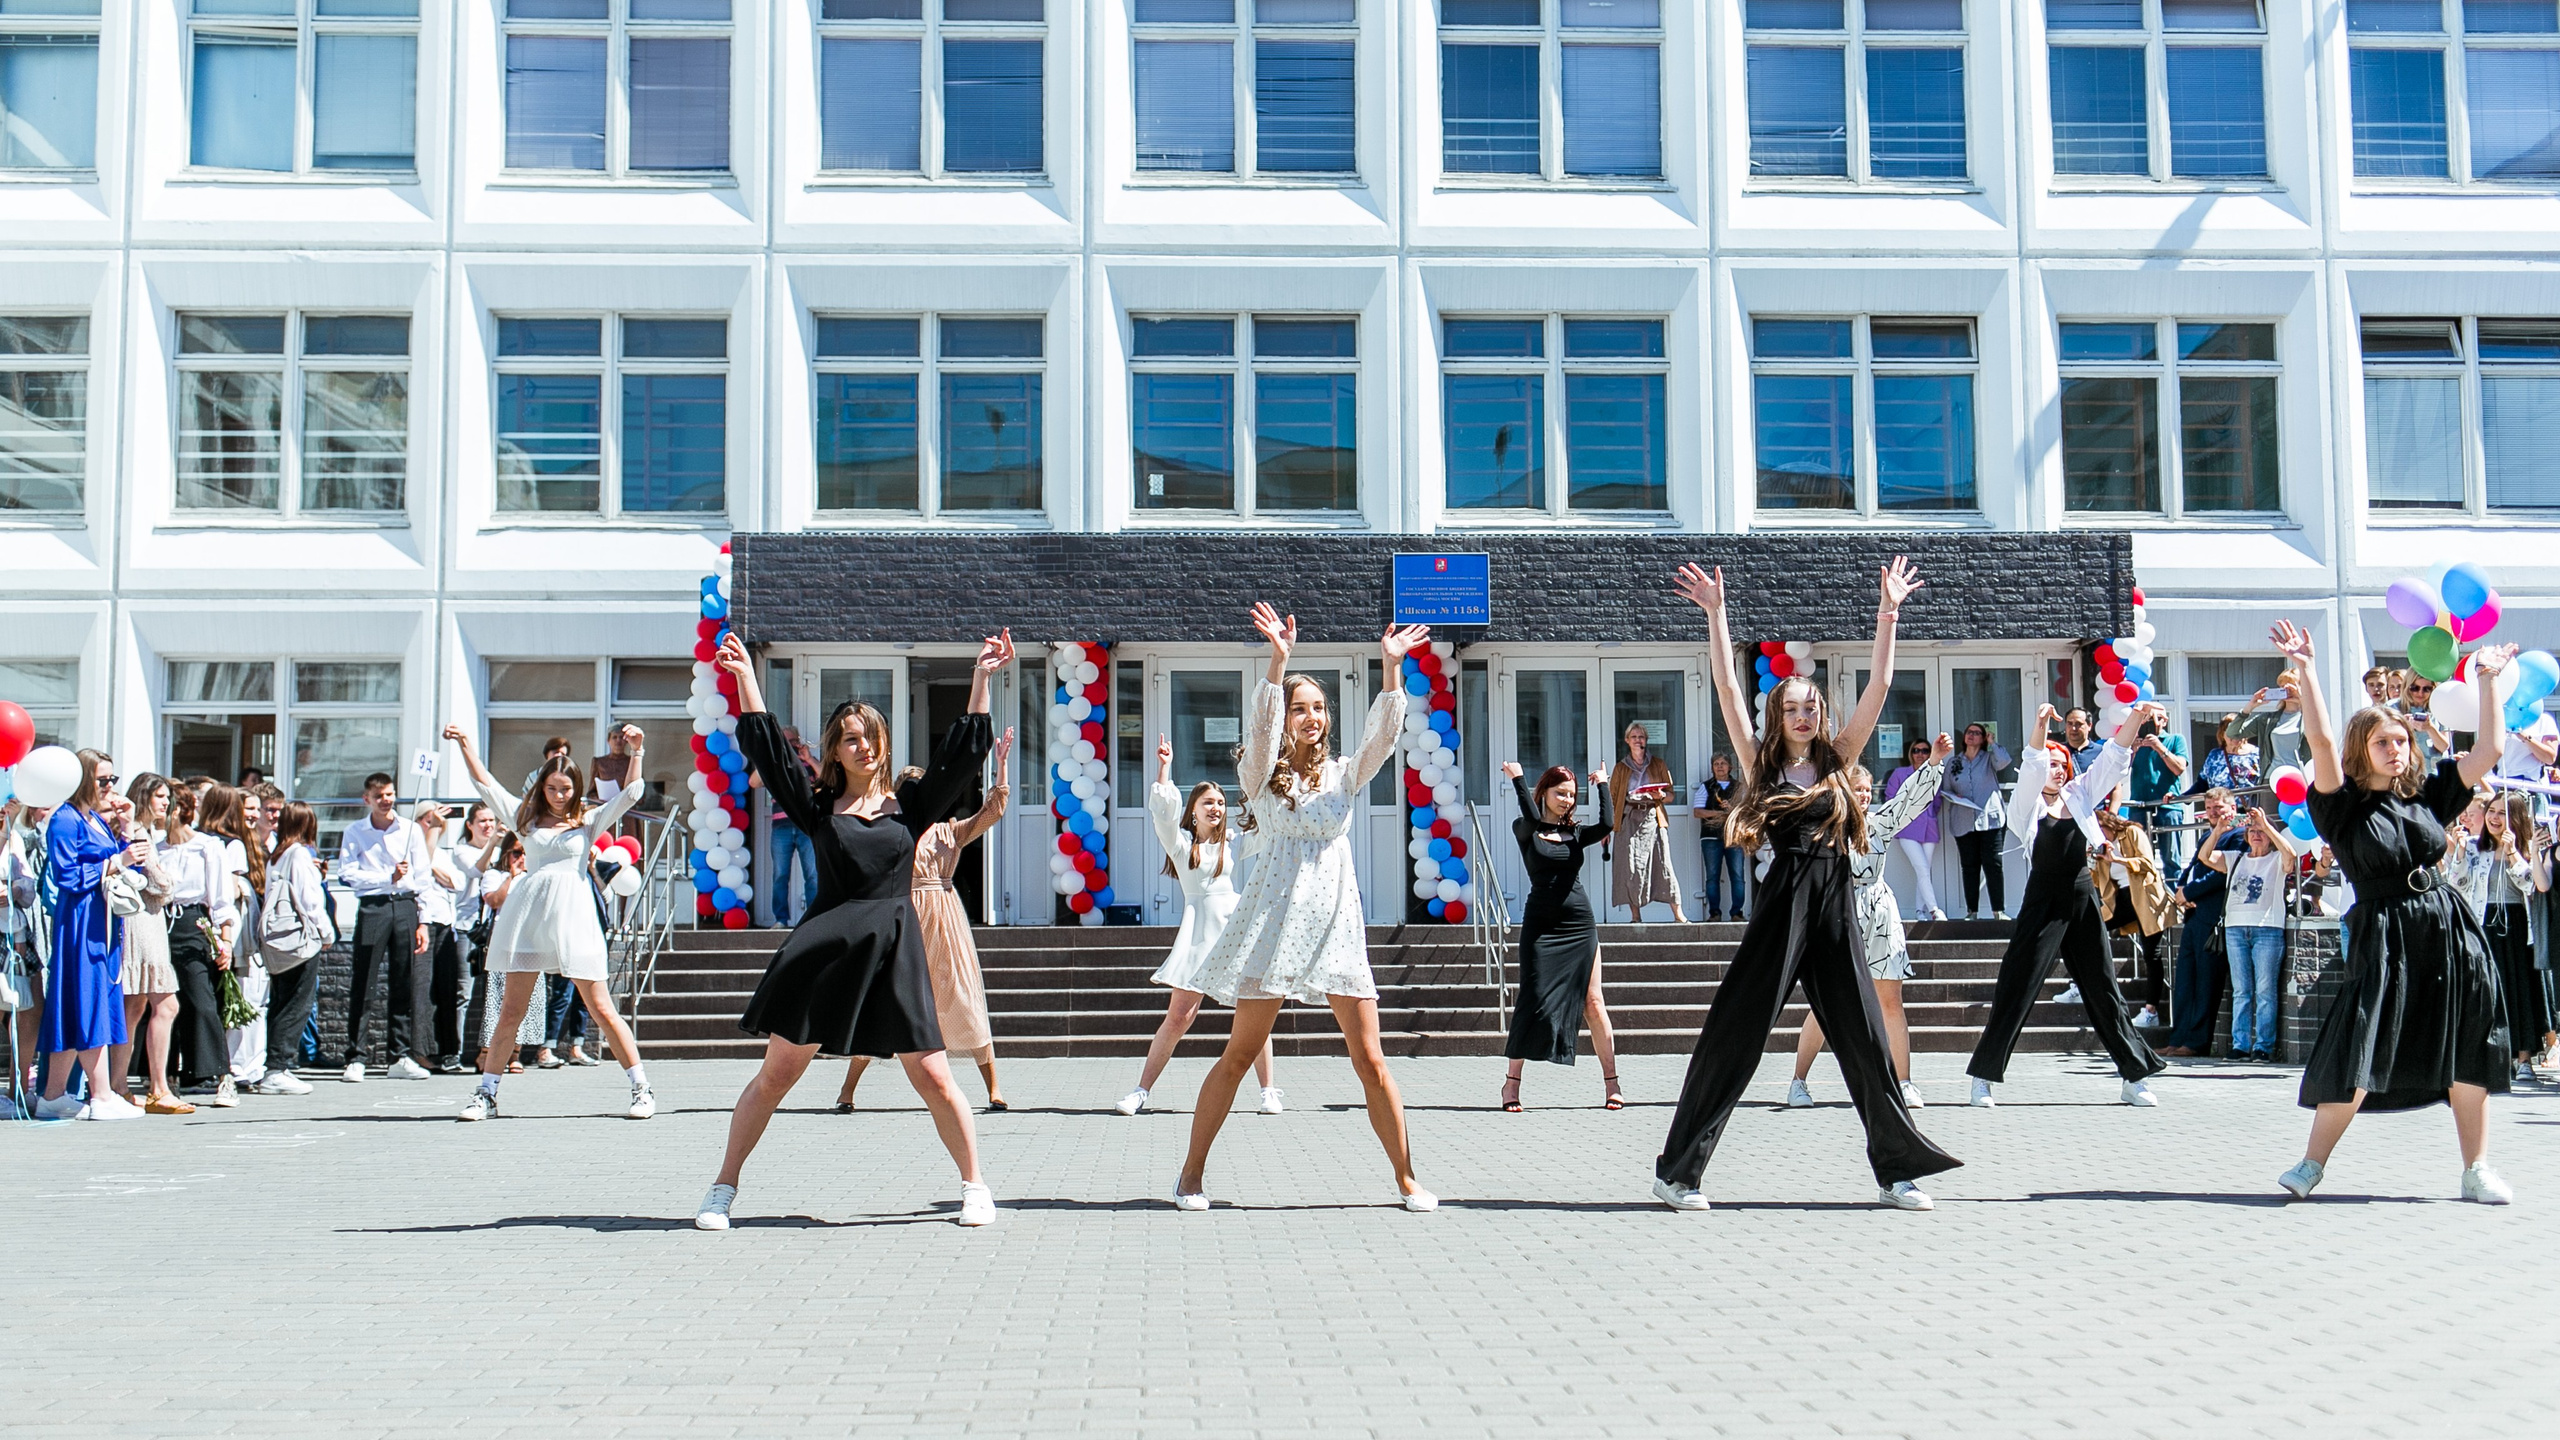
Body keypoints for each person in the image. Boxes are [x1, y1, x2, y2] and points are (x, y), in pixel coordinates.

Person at [1652, 559, 1959, 1213]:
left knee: (1866, 1037)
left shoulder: (1838, 759)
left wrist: (1889, 610)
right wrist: (1716, 614)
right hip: (1782, 906)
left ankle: (1897, 1173)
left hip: (1835, 907)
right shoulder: (1761, 763)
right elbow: (1727, 687)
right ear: (1777, 714)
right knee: (1735, 1035)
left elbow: (1879, 683)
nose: (1801, 714)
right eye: (1790, 707)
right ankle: (1677, 1173)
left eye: (1809, 706)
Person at [694, 628, 1005, 1231]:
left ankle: (975, 1187)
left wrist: (982, 678)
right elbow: (772, 757)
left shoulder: (911, 805)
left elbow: (962, 755)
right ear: (835, 751)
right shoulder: (815, 806)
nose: (864, 747)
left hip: (895, 949)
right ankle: (722, 1188)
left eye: (872, 737)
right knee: (776, 1075)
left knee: (934, 1075)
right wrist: (745, 677)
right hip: (825, 950)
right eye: (851, 739)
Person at [1175, 604, 1437, 1213]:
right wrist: (1278, 662)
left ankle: (1407, 1179)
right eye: (1301, 708)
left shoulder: (1344, 774)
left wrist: (1390, 669)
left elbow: (1382, 740)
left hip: (1336, 928)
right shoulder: (1260, 773)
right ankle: (1190, 1175)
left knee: (1370, 1059)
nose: (1312, 717)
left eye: (1319, 708)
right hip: (1273, 927)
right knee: (1239, 1055)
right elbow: (1262, 728)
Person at [2272, 620, 2515, 1204]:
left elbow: (2490, 751)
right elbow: (2321, 742)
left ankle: (2476, 1169)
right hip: (2383, 931)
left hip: (2446, 926)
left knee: (2469, 1036)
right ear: (2363, 750)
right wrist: (2306, 670)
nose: (2395, 749)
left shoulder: (2427, 794)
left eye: (2401, 741)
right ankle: (2311, 1164)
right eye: (2382, 742)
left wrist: (2487, 680)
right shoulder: (2342, 806)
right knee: (2362, 1036)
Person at [445, 720, 655, 1123]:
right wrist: (466, 744)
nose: (560, 795)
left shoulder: (588, 821)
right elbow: (485, 784)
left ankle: (641, 1088)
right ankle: (486, 1094)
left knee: (602, 1008)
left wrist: (637, 751)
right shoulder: (524, 819)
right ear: (542, 787)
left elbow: (631, 793)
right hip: (528, 920)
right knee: (511, 1011)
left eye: (567, 788)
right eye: (553, 788)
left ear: (577, 788)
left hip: (575, 921)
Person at [1966, 702, 2171, 1109]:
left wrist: (2137, 716)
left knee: (2103, 987)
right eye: (2052, 765)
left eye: (2062, 765)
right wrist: (2041, 723)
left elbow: (2113, 757)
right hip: (2043, 900)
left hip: (2081, 897)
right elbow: (2032, 762)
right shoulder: (2026, 805)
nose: (2057, 771)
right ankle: (1983, 1078)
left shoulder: (2080, 795)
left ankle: (2134, 1076)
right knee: (2017, 985)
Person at [835, 731, 1019, 1114]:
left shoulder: (949, 831)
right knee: (882, 999)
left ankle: (994, 1089)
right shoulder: (890, 830)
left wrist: (1001, 766)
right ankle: (846, 1091)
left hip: (945, 919)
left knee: (964, 997)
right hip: (902, 916)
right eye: (910, 790)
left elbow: (992, 812)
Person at [1116, 739, 1277, 1118]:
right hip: (1198, 934)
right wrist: (1164, 768)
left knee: (1253, 1014)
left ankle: (1269, 1090)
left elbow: (1269, 829)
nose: (1216, 808)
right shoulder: (1181, 843)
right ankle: (1140, 1091)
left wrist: (1259, 779)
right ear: (1194, 809)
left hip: (1234, 929)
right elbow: (1163, 816)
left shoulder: (1233, 844)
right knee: (1179, 1018)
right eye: (1208, 802)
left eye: (1220, 802)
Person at [1789, 735, 1950, 1112]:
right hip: (1838, 911)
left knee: (1890, 999)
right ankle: (1798, 1081)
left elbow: (1910, 799)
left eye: (1867, 789)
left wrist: (1934, 763)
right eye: (1856, 788)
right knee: (1825, 1004)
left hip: (1879, 914)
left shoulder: (1879, 823)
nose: (1863, 795)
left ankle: (1904, 1082)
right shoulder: (1824, 828)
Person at [1498, 759, 1622, 1113]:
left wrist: (1603, 784)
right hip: (1540, 926)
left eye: (1571, 795)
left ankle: (1612, 1084)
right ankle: (1511, 1084)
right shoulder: (1525, 828)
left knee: (1593, 1002)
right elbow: (1530, 815)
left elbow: (1608, 824)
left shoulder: (1577, 834)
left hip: (1579, 924)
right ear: (1545, 793)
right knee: (1532, 998)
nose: (1567, 800)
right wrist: (1519, 780)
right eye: (1560, 793)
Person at [32, 750, 143, 1121]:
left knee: (78, 1002)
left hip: (102, 919)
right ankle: (101, 1094)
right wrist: (116, 862)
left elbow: (124, 866)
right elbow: (66, 875)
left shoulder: (93, 817)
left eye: (113, 779)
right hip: (80, 921)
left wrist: (126, 829)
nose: (109, 787)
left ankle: (53, 1095)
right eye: (102, 780)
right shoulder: (64, 818)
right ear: (81, 780)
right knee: (87, 998)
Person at [335, 772, 431, 1083]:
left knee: (403, 982)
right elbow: (347, 873)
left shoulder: (410, 829)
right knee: (364, 981)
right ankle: (356, 1056)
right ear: (367, 799)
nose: (386, 800)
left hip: (404, 905)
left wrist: (423, 921)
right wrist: (385, 877)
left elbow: (423, 876)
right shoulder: (355, 831)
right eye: (379, 796)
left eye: (389, 794)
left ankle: (399, 1054)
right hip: (374, 906)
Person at [112, 775, 187, 1114]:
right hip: (142, 924)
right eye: (159, 796)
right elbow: (159, 884)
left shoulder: (140, 832)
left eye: (167, 797)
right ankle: (158, 1087)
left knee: (133, 1008)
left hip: (144, 922)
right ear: (143, 797)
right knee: (165, 1005)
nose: (166, 803)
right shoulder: (138, 833)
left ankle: (120, 1084)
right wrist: (166, 882)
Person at [163, 783, 240, 1107]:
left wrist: (226, 940)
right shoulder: (155, 847)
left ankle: (223, 1075)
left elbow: (222, 898)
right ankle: (165, 1077)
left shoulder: (207, 846)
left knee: (201, 999)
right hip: (159, 921)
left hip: (192, 921)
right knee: (163, 1003)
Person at [2458, 792, 2544, 1082]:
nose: (2494, 818)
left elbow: (2530, 885)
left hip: (2517, 925)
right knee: (2490, 990)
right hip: (2485, 922)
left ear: (2515, 818)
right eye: (2492, 811)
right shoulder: (2475, 846)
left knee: (2519, 989)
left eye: (2502, 813)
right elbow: (2459, 883)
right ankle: (2496, 1057)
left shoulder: (2525, 849)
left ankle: (2524, 1058)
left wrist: (2512, 854)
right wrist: (2459, 854)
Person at [2157, 788, 2247, 1059]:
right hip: (2194, 917)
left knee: (2207, 983)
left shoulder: (2238, 836)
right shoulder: (2208, 835)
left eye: (2219, 808)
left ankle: (2196, 1043)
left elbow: (2222, 875)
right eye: (2209, 808)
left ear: (2232, 808)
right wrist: (2180, 888)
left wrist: (2190, 892)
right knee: (2185, 981)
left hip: (2214, 917)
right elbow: (2193, 866)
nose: (2213, 813)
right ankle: (2178, 1039)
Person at [2203, 806, 2298, 1062]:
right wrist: (2219, 830)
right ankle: (2240, 1045)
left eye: (2261, 832)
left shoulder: (2276, 859)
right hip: (2235, 928)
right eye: (2252, 831)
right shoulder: (2236, 857)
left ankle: (2263, 1047)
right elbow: (2205, 857)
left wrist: (2266, 825)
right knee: (2241, 990)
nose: (2257, 835)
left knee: (2265, 990)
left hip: (2267, 928)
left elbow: (2290, 856)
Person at [253, 801, 328, 1095]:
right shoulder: (298, 853)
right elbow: (309, 900)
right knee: (298, 1003)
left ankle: (274, 1065)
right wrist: (325, 932)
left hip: (278, 940)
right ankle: (278, 1067)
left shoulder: (277, 854)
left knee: (281, 1001)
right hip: (299, 940)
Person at [2093, 805, 2177, 1031]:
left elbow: (2147, 864)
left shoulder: (2132, 833)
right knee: (2089, 930)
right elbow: (2098, 881)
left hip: (2146, 898)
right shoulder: (2098, 847)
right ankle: (2084, 985)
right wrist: (2092, 860)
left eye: (2099, 830)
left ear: (2107, 824)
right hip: (2121, 899)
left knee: (2151, 953)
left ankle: (2151, 1010)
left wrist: (2117, 860)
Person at [409, 802, 470, 1077]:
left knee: (446, 987)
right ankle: (420, 1050)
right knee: (422, 988)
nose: (433, 825)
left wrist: (434, 868)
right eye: (428, 820)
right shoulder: (410, 848)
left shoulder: (442, 854)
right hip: (423, 923)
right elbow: (419, 870)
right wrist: (431, 866)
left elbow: (456, 882)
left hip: (445, 923)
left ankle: (446, 1049)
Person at [1609, 721, 1686, 923]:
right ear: (1627, 740)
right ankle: (1635, 917)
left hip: (1653, 817)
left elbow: (1670, 795)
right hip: (1628, 819)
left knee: (1664, 865)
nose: (1638, 740)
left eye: (1641, 737)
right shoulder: (1620, 768)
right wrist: (1606, 829)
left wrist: (1661, 795)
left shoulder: (1658, 764)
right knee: (1629, 868)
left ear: (1646, 740)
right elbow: (1612, 799)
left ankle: (1679, 915)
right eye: (1634, 737)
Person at [1942, 723, 2013, 920]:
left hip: (1990, 820)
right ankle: (1971, 912)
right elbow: (1946, 788)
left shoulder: (1989, 758)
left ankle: (1998, 910)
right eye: (1969, 732)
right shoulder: (1954, 762)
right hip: (1964, 820)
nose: (1971, 735)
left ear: (1983, 738)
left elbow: (2004, 761)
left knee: (1993, 865)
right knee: (1970, 867)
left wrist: (1992, 743)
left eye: (1977, 733)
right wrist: (1955, 796)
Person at [1881, 736, 1946, 922]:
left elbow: (1937, 800)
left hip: (1929, 829)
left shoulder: (1934, 772)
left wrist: (1930, 814)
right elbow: (1891, 798)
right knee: (1922, 868)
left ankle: (1920, 911)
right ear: (1910, 754)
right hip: (1907, 829)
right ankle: (1934, 910)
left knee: (1924, 871)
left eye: (1925, 751)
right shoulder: (1900, 773)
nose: (1920, 754)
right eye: (1916, 750)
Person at [765, 726, 819, 927]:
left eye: (793, 741)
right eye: (785, 742)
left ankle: (812, 920)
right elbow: (754, 782)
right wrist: (771, 756)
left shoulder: (808, 762)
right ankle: (780, 919)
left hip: (806, 826)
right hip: (782, 827)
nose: (790, 746)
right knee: (780, 875)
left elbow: (828, 779)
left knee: (813, 875)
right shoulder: (773, 763)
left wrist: (809, 759)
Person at [2128, 716, 2189, 869]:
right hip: (2139, 806)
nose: (2150, 723)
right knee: (2139, 859)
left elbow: (2179, 768)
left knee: (2171, 858)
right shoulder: (2134, 742)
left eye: (2155, 718)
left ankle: (2173, 885)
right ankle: (2146, 886)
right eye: (2145, 719)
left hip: (2168, 806)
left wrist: (2159, 747)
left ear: (2164, 721)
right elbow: (2118, 772)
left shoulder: (2175, 739)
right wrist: (2132, 751)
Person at [1693, 753, 1746, 920]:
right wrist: (1719, 814)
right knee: (1712, 877)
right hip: (1711, 838)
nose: (1720, 766)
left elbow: (1745, 812)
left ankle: (1737, 913)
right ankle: (1714, 913)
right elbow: (1697, 812)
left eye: (1723, 763)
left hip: (1734, 837)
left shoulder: (1739, 787)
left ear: (1730, 767)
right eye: (1716, 764)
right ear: (1712, 767)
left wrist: (1731, 810)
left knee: (1738, 876)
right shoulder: (1706, 787)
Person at [2234, 673, 2306, 778]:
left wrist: (2303, 700)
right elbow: (2233, 733)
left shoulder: (2310, 718)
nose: (2288, 691)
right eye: (2283, 687)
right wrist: (2250, 706)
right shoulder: (2268, 719)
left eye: (2292, 687)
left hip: (2301, 778)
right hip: (2273, 777)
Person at [2192, 713, 2261, 796]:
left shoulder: (2257, 754)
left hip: (2249, 804)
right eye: (2231, 731)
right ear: (2222, 734)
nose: (2235, 735)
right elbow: (2202, 783)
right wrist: (2182, 798)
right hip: (2220, 803)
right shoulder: (2215, 756)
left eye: (2239, 730)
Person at [2061, 709, 2106, 775]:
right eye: (2070, 724)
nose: (2073, 728)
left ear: (2089, 726)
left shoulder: (2102, 752)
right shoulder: (2059, 751)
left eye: (2078, 724)